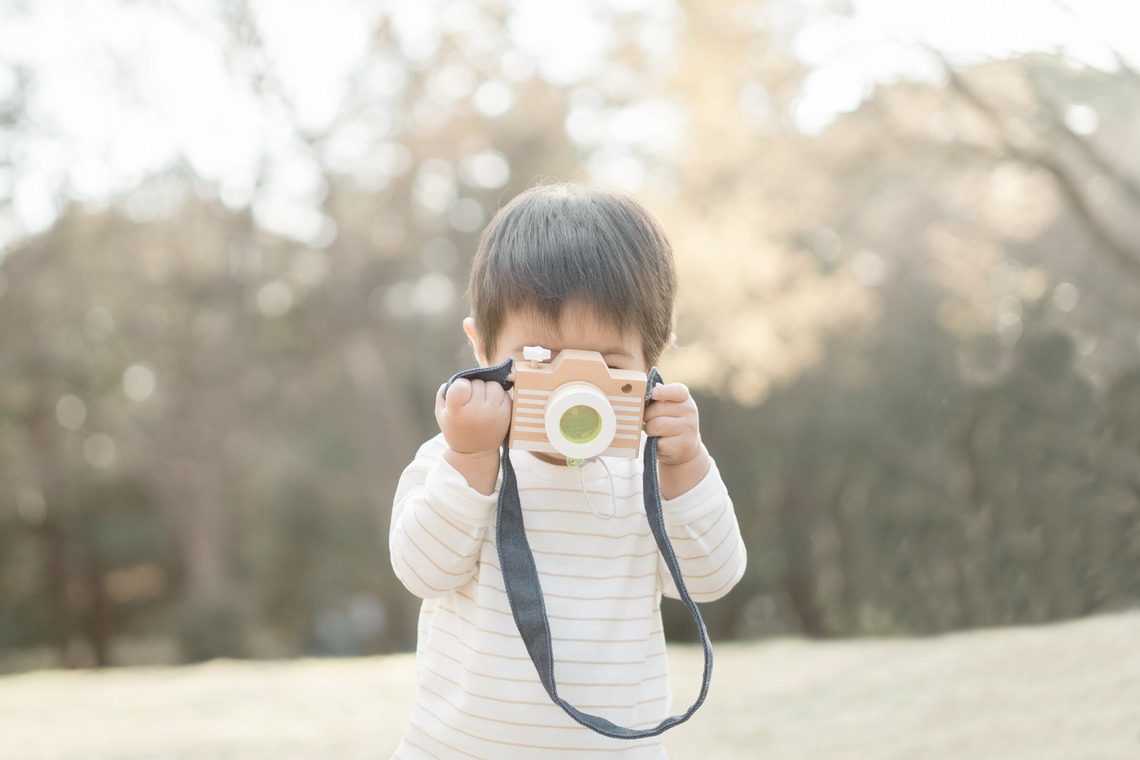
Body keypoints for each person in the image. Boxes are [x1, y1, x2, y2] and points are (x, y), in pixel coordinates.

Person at [389, 182, 747, 758]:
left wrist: (687, 464)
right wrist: (470, 457)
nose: (573, 389)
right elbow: (421, 573)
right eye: (538, 359)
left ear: (654, 363)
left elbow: (712, 579)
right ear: (483, 350)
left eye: (607, 364)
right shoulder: (453, 459)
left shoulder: (648, 473)